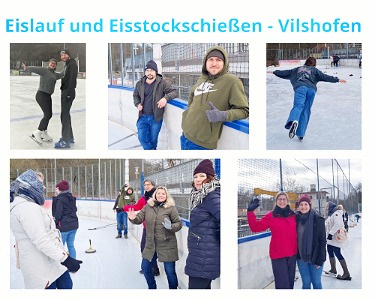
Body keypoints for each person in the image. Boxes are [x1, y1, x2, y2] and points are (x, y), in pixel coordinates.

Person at [10, 170, 82, 289]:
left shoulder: (28, 204)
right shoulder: (26, 208)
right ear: (30, 184)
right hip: (40, 265)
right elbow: (41, 240)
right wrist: (66, 259)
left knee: (67, 285)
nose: (43, 187)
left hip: (51, 259)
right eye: (40, 183)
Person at [181, 46, 249, 150]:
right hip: (185, 134)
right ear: (205, 62)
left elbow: (244, 110)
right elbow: (192, 98)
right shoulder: (202, 78)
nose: (214, 63)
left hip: (202, 144)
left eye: (218, 60)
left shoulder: (232, 82)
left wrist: (223, 115)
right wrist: (187, 115)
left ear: (224, 62)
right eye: (210, 59)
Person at [267, 57, 347, 141]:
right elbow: (325, 76)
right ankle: (300, 134)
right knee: (306, 110)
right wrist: (337, 80)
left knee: (298, 106)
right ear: (314, 64)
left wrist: (274, 72)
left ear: (306, 62)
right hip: (311, 90)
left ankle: (294, 120)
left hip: (300, 88)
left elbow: (285, 72)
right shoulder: (315, 70)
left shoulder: (297, 69)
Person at [128, 186, 182, 289]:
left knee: (170, 272)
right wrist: (133, 218)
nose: (161, 195)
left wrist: (171, 227)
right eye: (159, 193)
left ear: (166, 195)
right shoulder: (148, 206)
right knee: (145, 268)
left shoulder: (170, 208)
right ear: (155, 195)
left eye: (163, 193)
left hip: (167, 245)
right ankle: (152, 288)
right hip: (151, 245)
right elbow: (139, 218)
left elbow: (178, 224)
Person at [247, 191, 297, 289]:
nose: (282, 201)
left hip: (292, 254)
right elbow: (255, 227)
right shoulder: (271, 216)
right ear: (276, 201)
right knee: (283, 286)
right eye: (279, 199)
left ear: (287, 201)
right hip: (278, 256)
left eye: (284, 199)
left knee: (290, 284)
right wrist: (250, 212)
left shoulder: (293, 216)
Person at [185, 159, 221, 289]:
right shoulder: (201, 196)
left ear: (210, 178)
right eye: (195, 176)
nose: (198, 179)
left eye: (202, 176)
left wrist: (215, 242)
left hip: (205, 258)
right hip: (201, 255)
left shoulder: (211, 196)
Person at [133, 60, 178, 150]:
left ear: (155, 72)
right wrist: (137, 104)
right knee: (142, 138)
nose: (149, 73)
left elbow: (175, 92)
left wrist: (165, 98)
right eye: (147, 70)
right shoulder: (140, 84)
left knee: (153, 140)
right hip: (143, 117)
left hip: (156, 118)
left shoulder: (162, 83)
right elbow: (135, 95)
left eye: (151, 71)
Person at [122, 179, 160, 276]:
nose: (146, 187)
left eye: (148, 185)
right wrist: (123, 208)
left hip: (156, 228)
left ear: (153, 185)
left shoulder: (158, 196)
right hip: (146, 228)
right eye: (145, 185)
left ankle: (150, 268)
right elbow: (137, 206)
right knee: (144, 248)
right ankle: (152, 268)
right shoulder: (144, 198)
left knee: (151, 249)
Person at [22, 59, 64, 146]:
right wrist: (27, 68)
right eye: (51, 63)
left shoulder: (54, 74)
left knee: (49, 114)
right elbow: (36, 69)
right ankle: (38, 132)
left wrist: (67, 67)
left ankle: (44, 132)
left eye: (54, 64)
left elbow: (61, 74)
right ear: (49, 64)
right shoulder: (44, 70)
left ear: (55, 66)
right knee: (47, 115)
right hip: (41, 95)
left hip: (48, 96)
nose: (53, 64)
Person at [295, 195, 326, 289]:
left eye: (305, 204)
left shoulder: (318, 219)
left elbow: (322, 241)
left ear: (310, 205)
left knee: (316, 282)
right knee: (306, 283)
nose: (303, 207)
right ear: (298, 206)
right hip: (301, 258)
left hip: (316, 257)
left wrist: (319, 259)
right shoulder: (295, 219)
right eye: (301, 204)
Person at [54, 49, 78, 149]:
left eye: (64, 55)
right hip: (66, 91)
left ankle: (65, 141)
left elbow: (72, 79)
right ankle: (70, 137)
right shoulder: (68, 64)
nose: (62, 57)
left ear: (68, 55)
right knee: (66, 114)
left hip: (68, 92)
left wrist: (68, 92)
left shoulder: (72, 64)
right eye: (61, 55)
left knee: (64, 115)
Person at [52, 180, 79, 259]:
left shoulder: (59, 199)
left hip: (64, 227)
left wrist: (54, 223)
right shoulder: (72, 198)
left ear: (60, 189)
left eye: (56, 188)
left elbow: (58, 214)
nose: (55, 190)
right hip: (74, 225)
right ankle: (73, 264)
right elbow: (75, 209)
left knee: (60, 246)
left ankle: (60, 264)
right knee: (71, 245)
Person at [325, 201, 351, 280]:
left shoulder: (337, 214)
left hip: (335, 238)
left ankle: (346, 273)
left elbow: (337, 224)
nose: (326, 207)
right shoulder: (331, 214)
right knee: (329, 251)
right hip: (331, 239)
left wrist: (330, 234)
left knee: (337, 253)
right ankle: (333, 269)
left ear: (330, 206)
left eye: (327, 206)